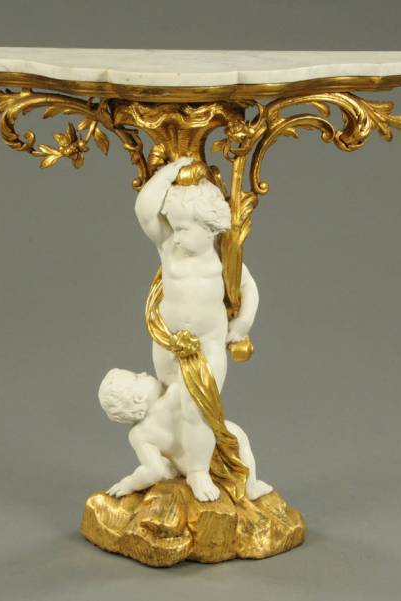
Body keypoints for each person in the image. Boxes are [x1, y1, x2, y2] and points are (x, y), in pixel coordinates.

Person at [134, 157, 259, 501]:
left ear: (210, 227)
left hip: (208, 347)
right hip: (168, 343)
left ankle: (198, 471)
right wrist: (169, 173)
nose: (176, 236)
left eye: (184, 229)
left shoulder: (224, 258)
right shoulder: (169, 249)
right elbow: (144, 211)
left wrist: (243, 323)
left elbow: (249, 289)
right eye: (173, 227)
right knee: (167, 403)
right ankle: (172, 459)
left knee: (197, 409)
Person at [98, 368, 273, 500]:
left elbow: (154, 471)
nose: (143, 373)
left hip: (186, 468)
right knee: (238, 434)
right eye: (137, 377)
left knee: (165, 464)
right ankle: (251, 486)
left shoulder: (138, 435)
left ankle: (188, 473)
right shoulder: (173, 395)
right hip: (216, 448)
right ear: (138, 398)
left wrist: (130, 483)